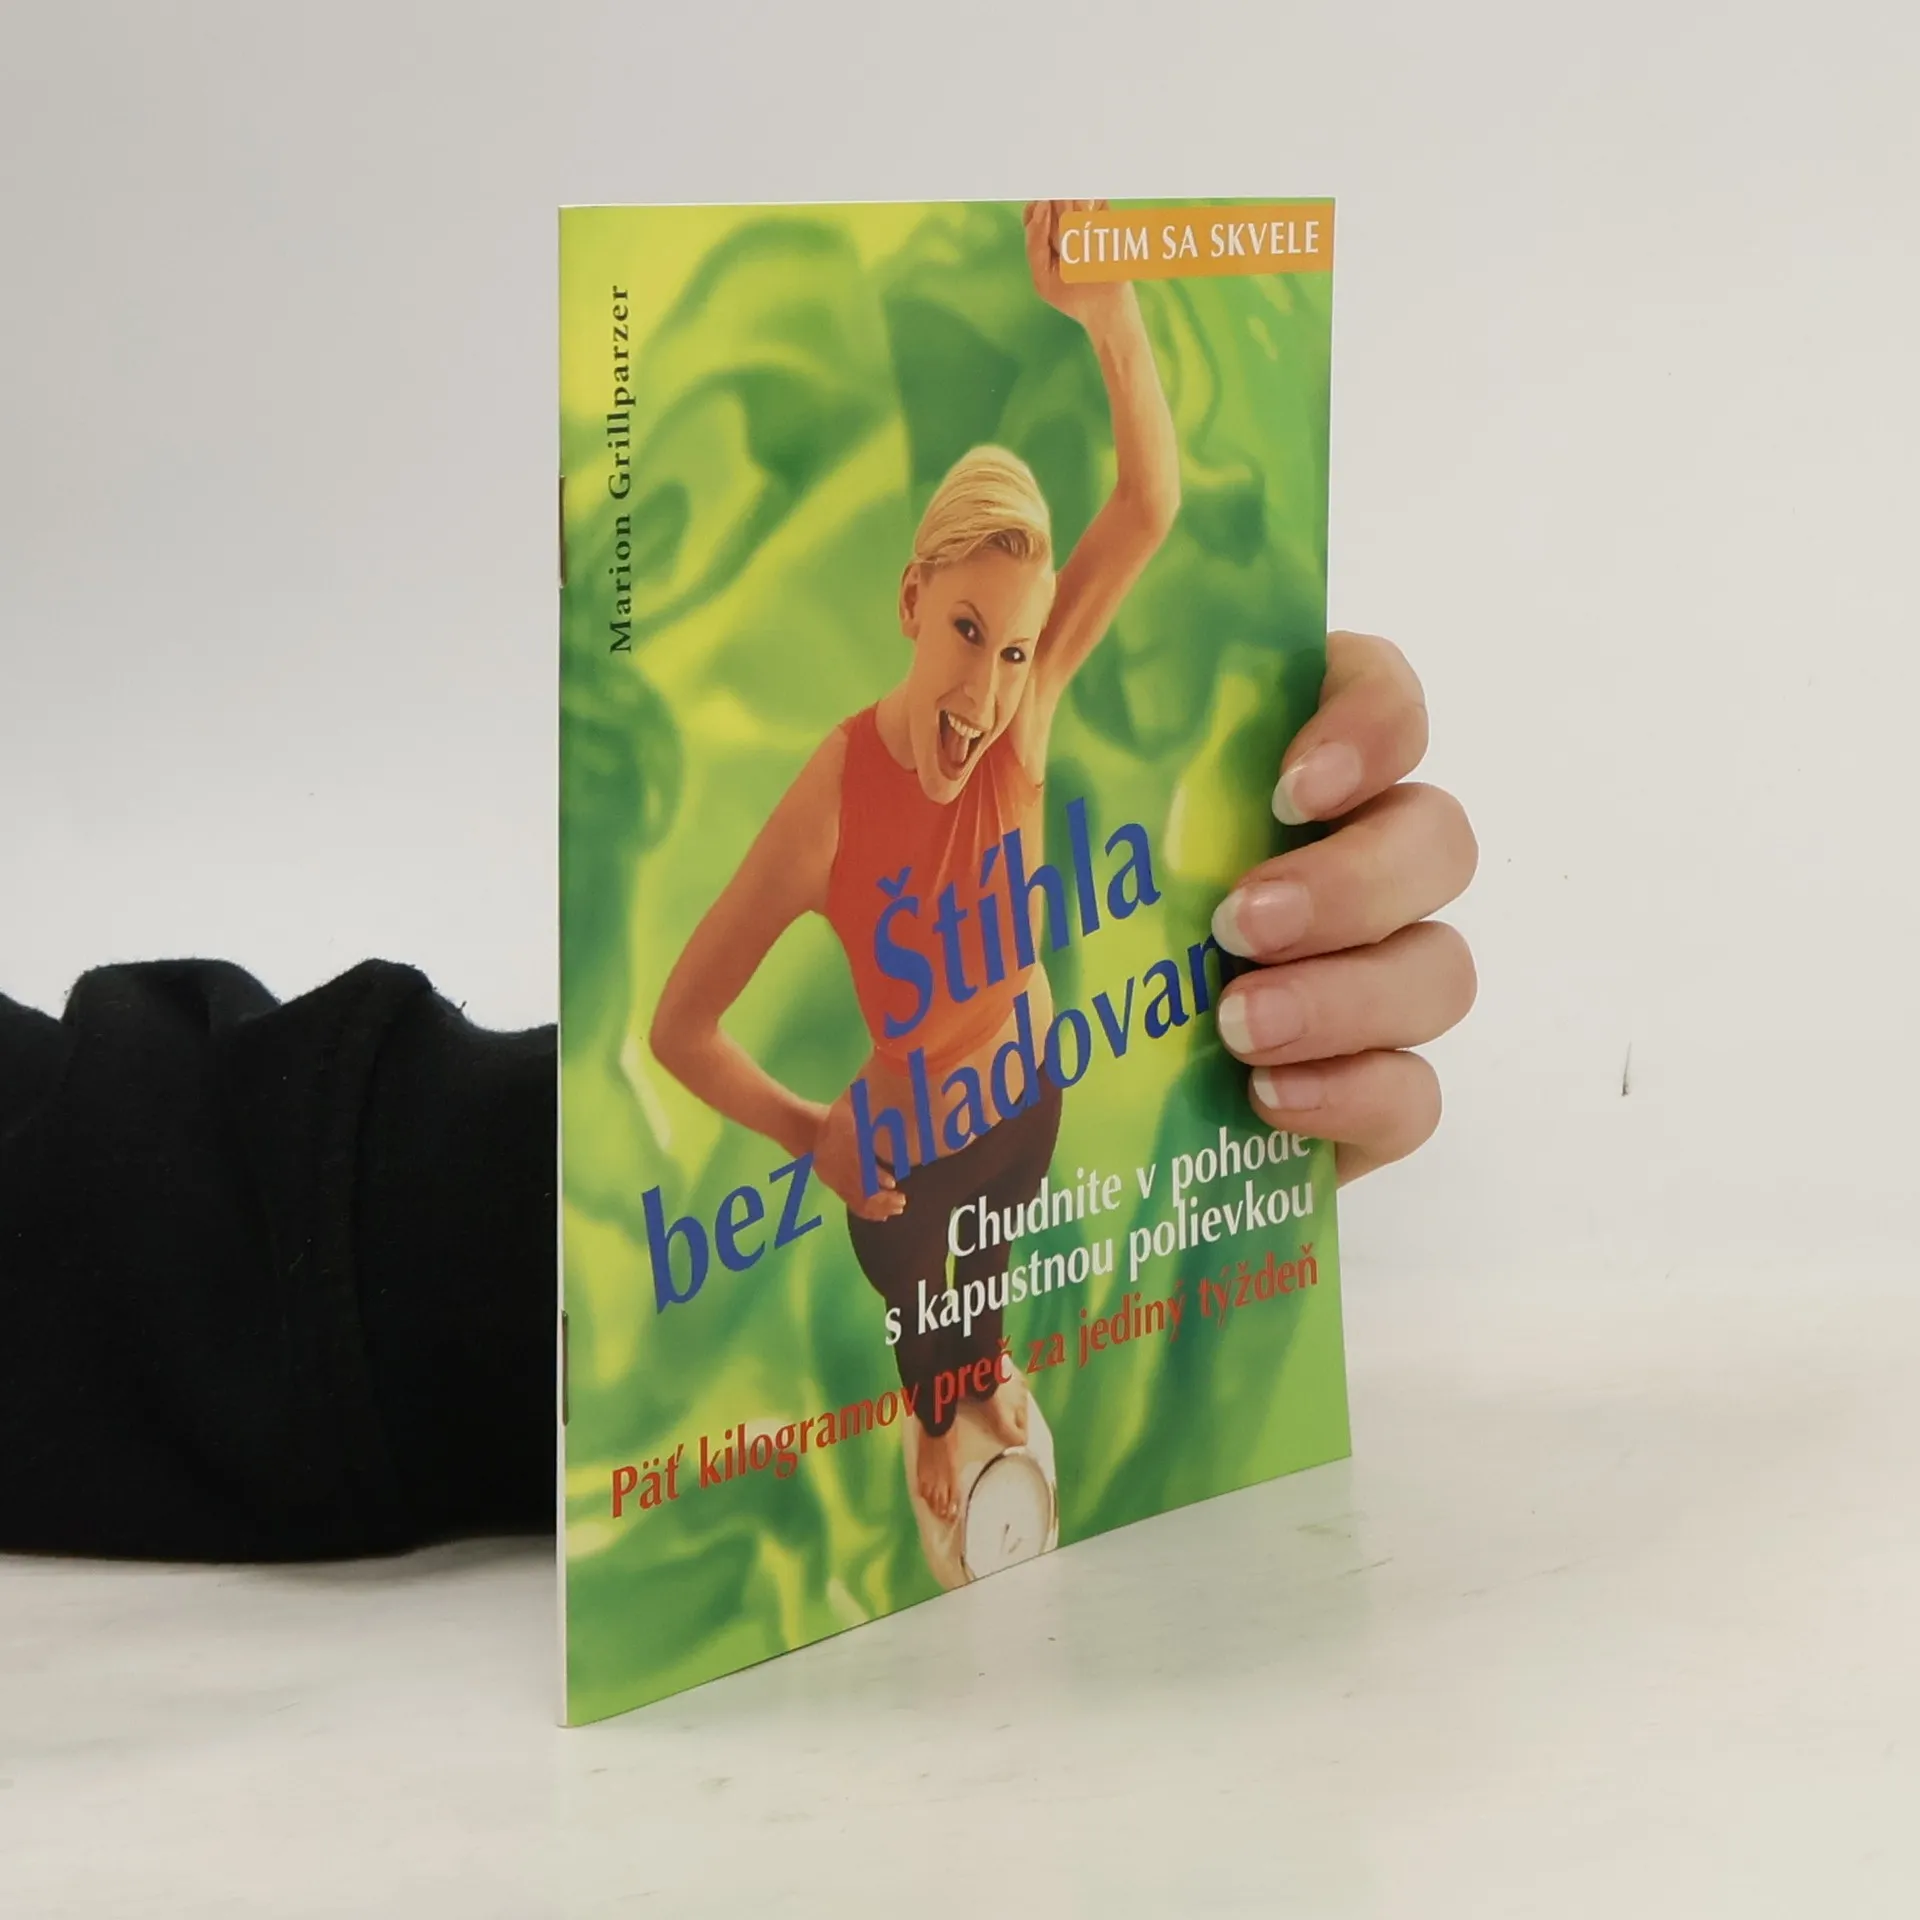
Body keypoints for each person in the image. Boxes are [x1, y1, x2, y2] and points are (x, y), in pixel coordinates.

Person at [650, 202, 1183, 1524]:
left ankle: (985, 1373)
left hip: (1027, 1107)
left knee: (987, 1297)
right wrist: (810, 1135)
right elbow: (681, 1026)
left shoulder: (1023, 724)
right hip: (901, 1163)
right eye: (966, 631)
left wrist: (1108, 313)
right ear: (910, 603)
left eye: (1018, 649)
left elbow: (1149, 504)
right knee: (924, 1329)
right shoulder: (833, 797)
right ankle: (933, 1423)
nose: (991, 691)